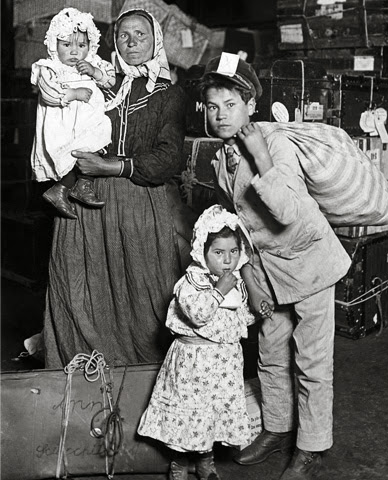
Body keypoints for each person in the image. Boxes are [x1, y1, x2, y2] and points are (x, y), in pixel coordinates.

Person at [198, 53, 352, 480]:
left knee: (312, 361)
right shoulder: (220, 158)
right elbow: (239, 229)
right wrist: (250, 280)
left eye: (231, 105)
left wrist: (261, 155)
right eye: (212, 106)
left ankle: (312, 446)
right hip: (268, 272)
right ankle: (279, 429)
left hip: (309, 263)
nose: (221, 115)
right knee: (270, 354)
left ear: (251, 105)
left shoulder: (275, 143)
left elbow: (284, 212)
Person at [42, 7, 186, 368]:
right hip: (83, 201)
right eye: (124, 35)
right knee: (79, 290)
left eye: (141, 35)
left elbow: (168, 159)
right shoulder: (96, 83)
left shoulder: (169, 94)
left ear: (156, 41)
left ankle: (142, 380)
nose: (132, 42)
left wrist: (111, 165)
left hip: (138, 202)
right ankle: (82, 376)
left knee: (142, 295)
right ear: (114, 43)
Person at [137, 204, 261, 480]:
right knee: (188, 414)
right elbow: (198, 314)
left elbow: (239, 320)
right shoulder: (191, 282)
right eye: (218, 252)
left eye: (233, 251)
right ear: (202, 252)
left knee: (212, 414)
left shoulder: (236, 282)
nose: (227, 260)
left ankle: (206, 461)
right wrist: (218, 291)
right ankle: (179, 462)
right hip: (193, 365)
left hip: (223, 365)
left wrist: (256, 309)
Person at [31, 7, 116, 219]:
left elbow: (110, 80)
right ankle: (61, 187)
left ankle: (82, 185)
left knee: (97, 142)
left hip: (90, 121)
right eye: (66, 45)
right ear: (54, 44)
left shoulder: (93, 63)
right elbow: (49, 94)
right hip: (64, 124)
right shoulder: (49, 68)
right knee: (71, 154)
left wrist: (95, 72)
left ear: (90, 46)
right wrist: (73, 93)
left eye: (81, 45)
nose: (74, 52)